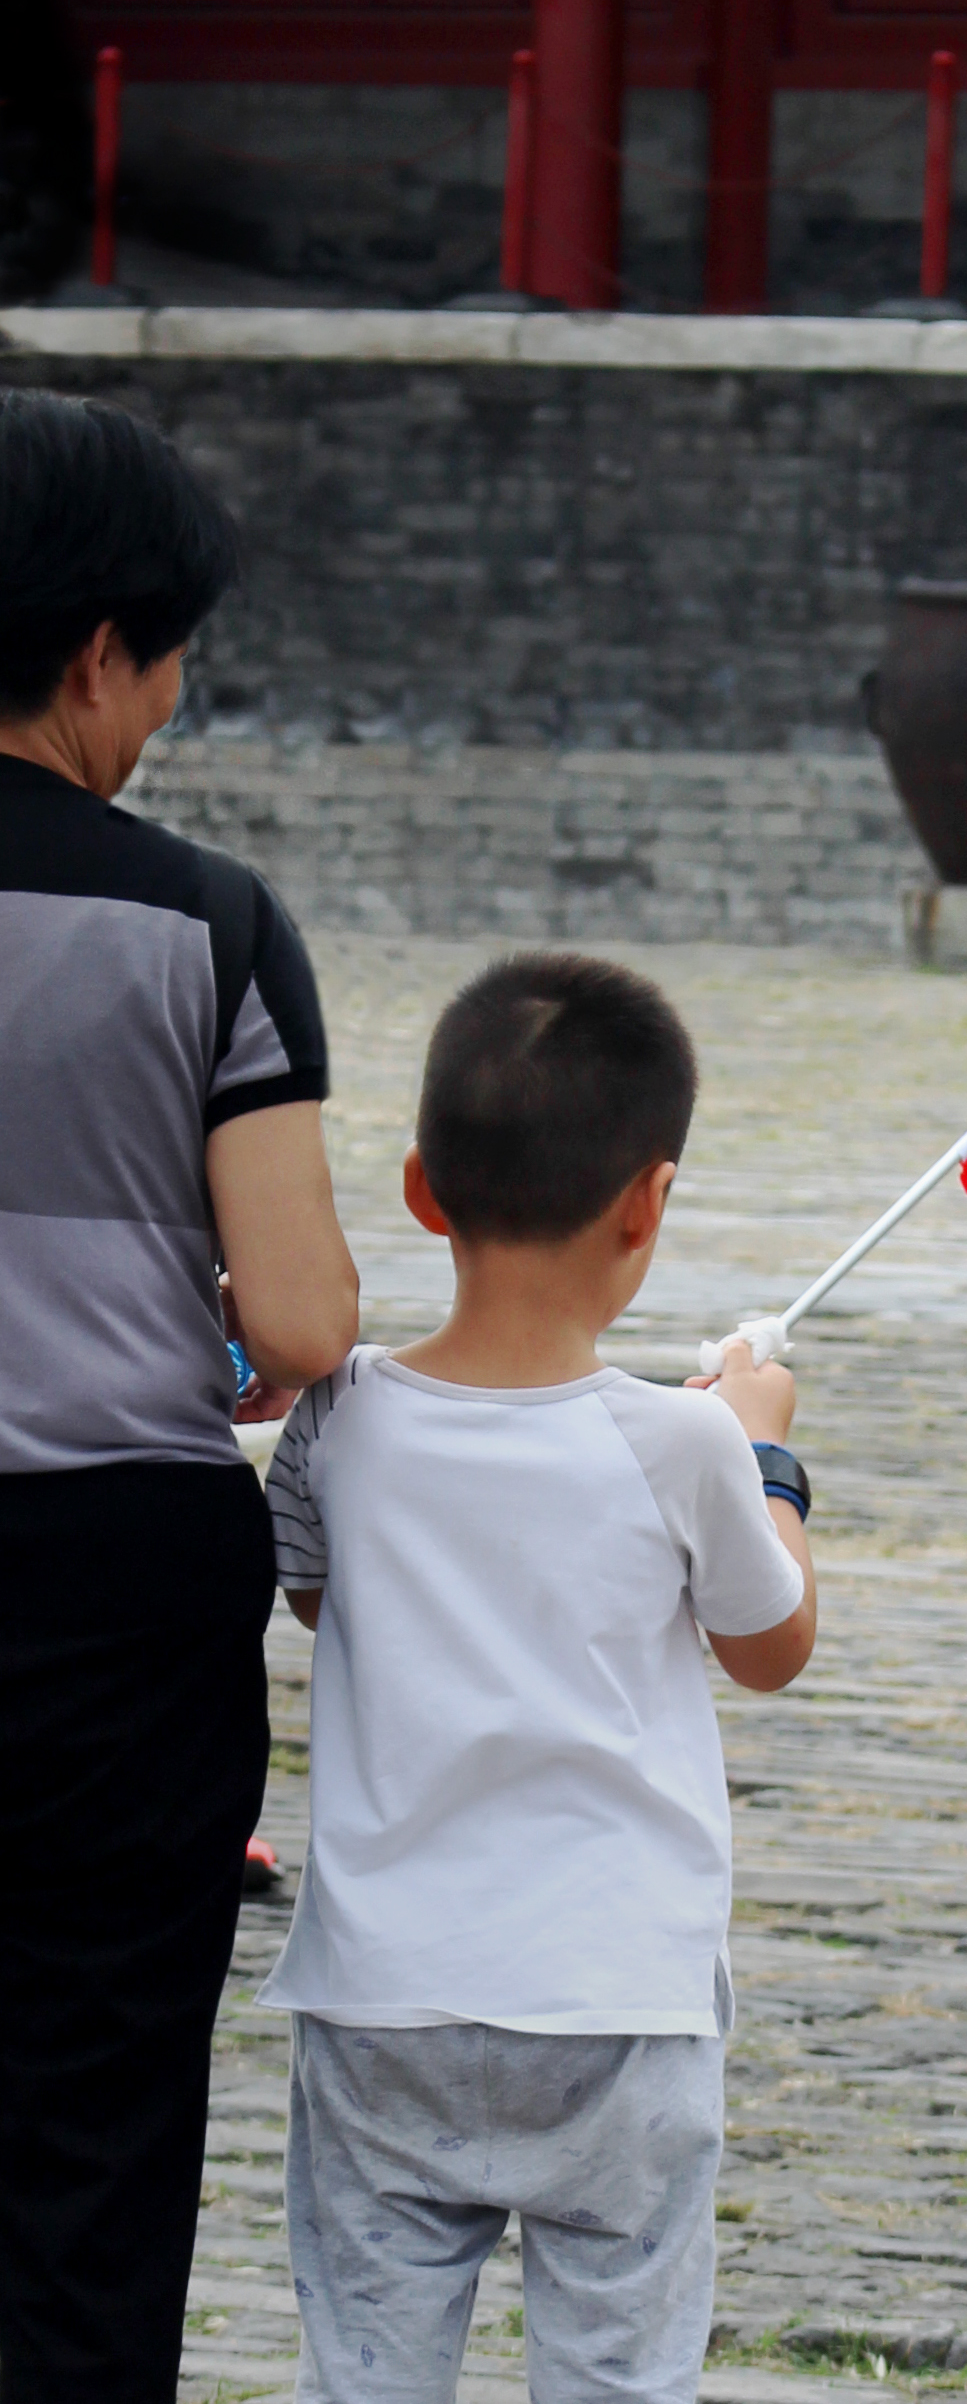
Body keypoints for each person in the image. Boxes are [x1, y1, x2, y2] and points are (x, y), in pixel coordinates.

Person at [259, 951, 816, 2404]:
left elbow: (319, 1595)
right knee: (620, 2372)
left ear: (421, 1187)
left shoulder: (346, 1414)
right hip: (616, 1999)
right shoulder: (683, 1445)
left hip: (385, 1995)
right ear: (649, 1200)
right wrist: (765, 1451)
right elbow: (773, 1643)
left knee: (366, 2373)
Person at [0, 388, 360, 2404]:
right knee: (93, 2121)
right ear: (90, 651)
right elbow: (300, 1319)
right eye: (167, 665)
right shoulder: (209, 922)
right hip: (113, 1604)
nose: (166, 709)